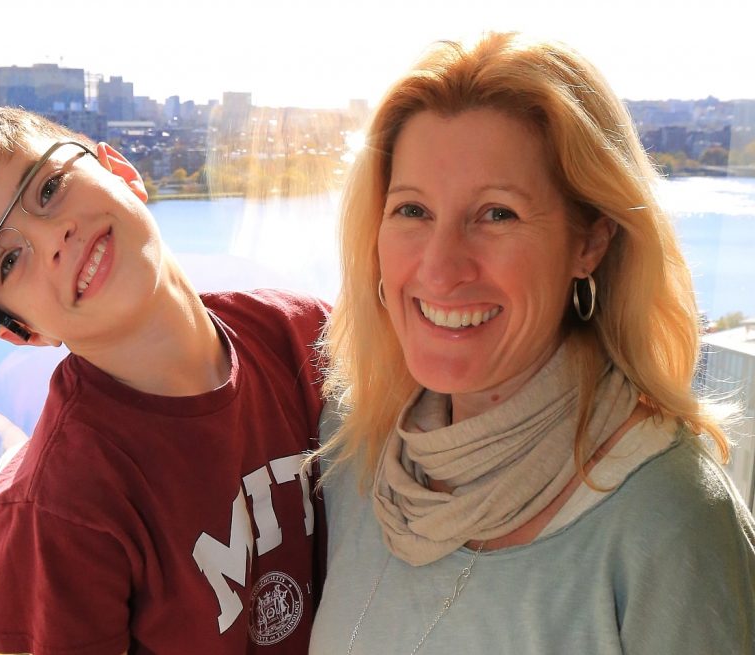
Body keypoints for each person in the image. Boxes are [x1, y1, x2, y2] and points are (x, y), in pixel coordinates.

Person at [309, 32, 755, 654]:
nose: (439, 270)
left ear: (589, 242)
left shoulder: (669, 520)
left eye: (498, 214)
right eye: (412, 211)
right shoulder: (354, 448)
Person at [0, 107, 329, 654]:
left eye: (49, 189)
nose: (53, 238)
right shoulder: (59, 510)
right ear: (24, 332)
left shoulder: (303, 335)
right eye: (7, 262)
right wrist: (28, 495)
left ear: (120, 169)